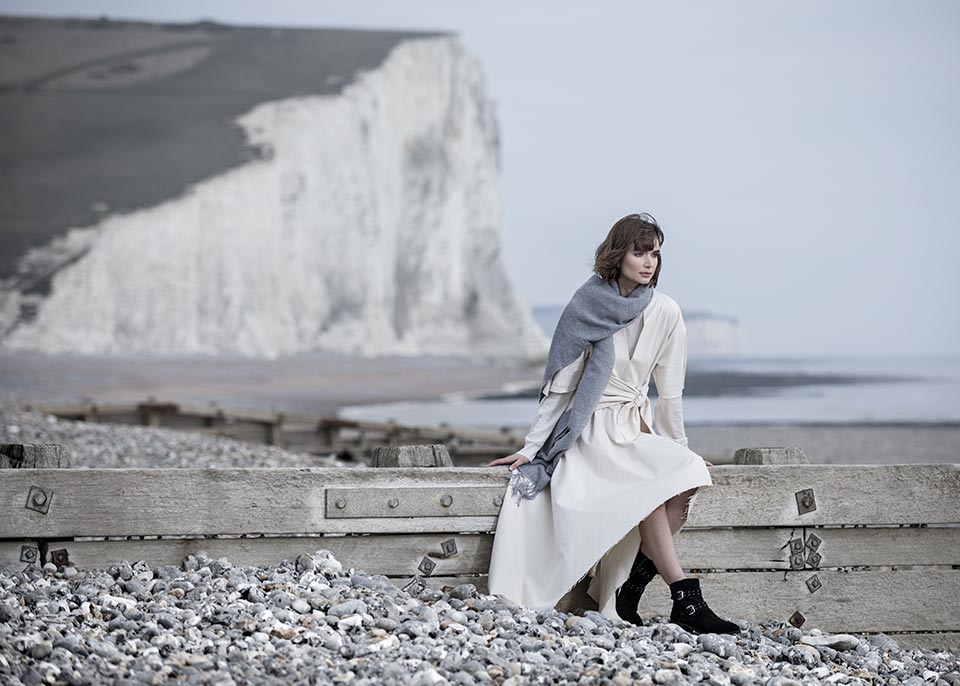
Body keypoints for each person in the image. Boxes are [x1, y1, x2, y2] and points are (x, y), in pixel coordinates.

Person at [484, 212, 740, 635]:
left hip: (635, 426)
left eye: (655, 253)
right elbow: (561, 389)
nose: (648, 262)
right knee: (652, 492)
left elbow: (669, 393)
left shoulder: (667, 312)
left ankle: (630, 589)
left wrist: (680, 447)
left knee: (687, 475)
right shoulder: (587, 307)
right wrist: (532, 449)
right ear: (618, 254)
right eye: (639, 252)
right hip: (592, 431)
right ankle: (685, 598)